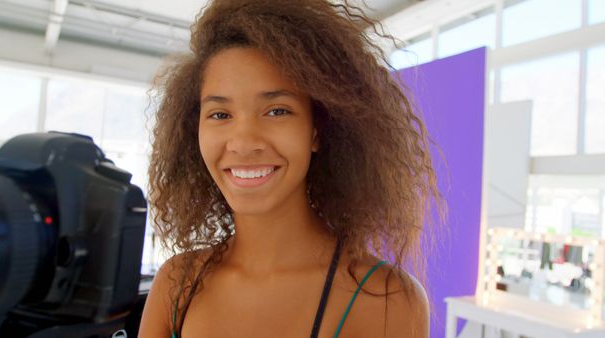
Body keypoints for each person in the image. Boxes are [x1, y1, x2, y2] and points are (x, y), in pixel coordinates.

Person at [139, 0, 445, 337]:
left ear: (317, 130)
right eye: (220, 115)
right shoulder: (176, 285)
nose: (243, 142)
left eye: (276, 111)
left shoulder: (388, 300)